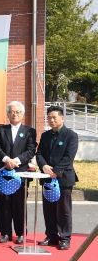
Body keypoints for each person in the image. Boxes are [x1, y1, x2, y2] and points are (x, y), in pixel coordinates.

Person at [36, 105, 79, 251]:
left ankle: (65, 238)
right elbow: (39, 154)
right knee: (48, 209)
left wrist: (56, 171)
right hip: (47, 177)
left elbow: (69, 156)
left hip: (63, 178)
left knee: (63, 210)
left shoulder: (71, 135)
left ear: (62, 118)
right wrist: (44, 166)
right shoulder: (45, 135)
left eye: (54, 117)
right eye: (49, 118)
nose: (51, 120)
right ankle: (51, 236)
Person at [0, 101, 37, 244]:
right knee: (3, 204)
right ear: (7, 114)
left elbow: (31, 150)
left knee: (19, 205)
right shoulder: (0, 130)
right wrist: (6, 159)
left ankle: (21, 233)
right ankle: (5, 233)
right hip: (3, 171)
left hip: (21, 172)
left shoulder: (30, 131)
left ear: (23, 114)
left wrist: (16, 160)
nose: (15, 114)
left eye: (18, 112)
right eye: (12, 112)